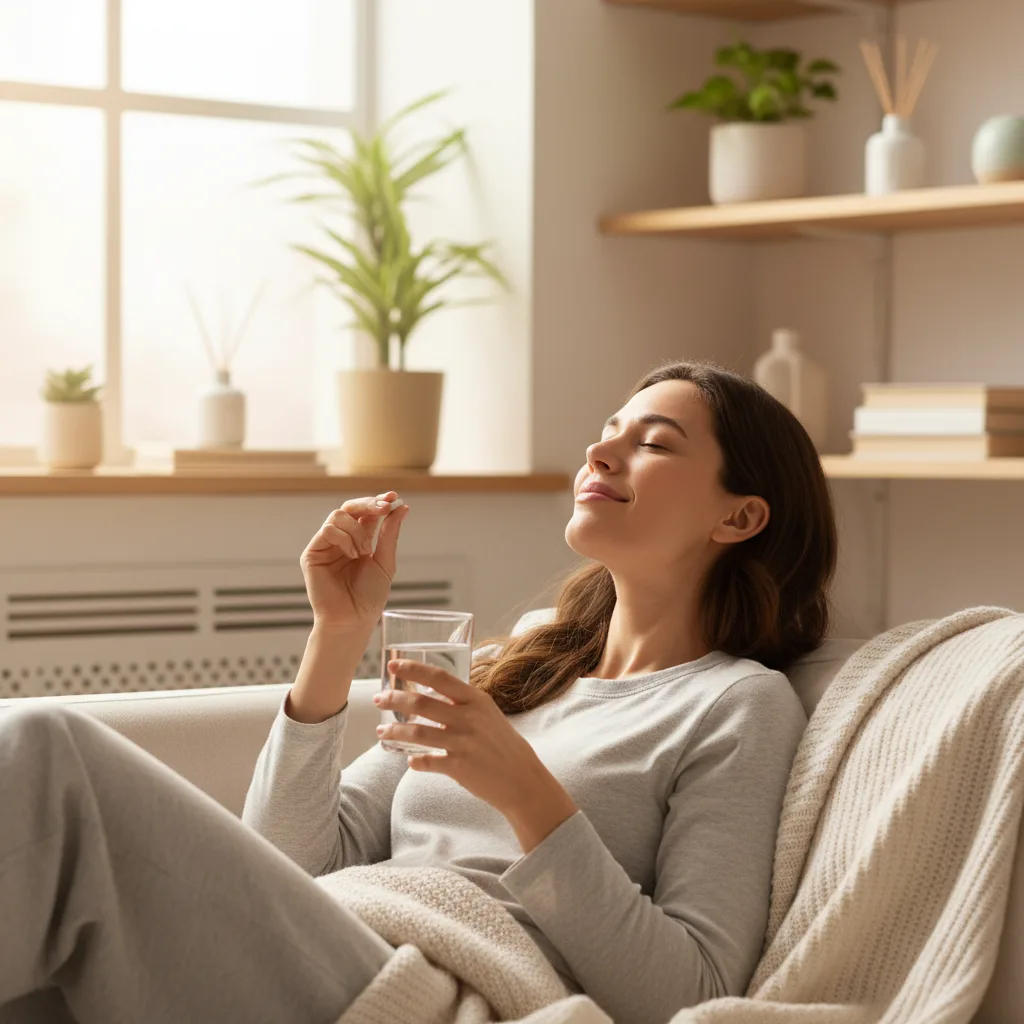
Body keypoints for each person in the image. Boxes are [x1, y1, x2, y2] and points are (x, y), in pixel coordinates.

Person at [0, 360, 837, 1024]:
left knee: (44, 750)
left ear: (740, 518)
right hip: (340, 936)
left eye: (653, 444)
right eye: (608, 432)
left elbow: (686, 993)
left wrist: (525, 789)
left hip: (427, 994)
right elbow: (293, 866)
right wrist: (338, 636)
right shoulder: (517, 668)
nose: (602, 453)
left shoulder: (737, 705)